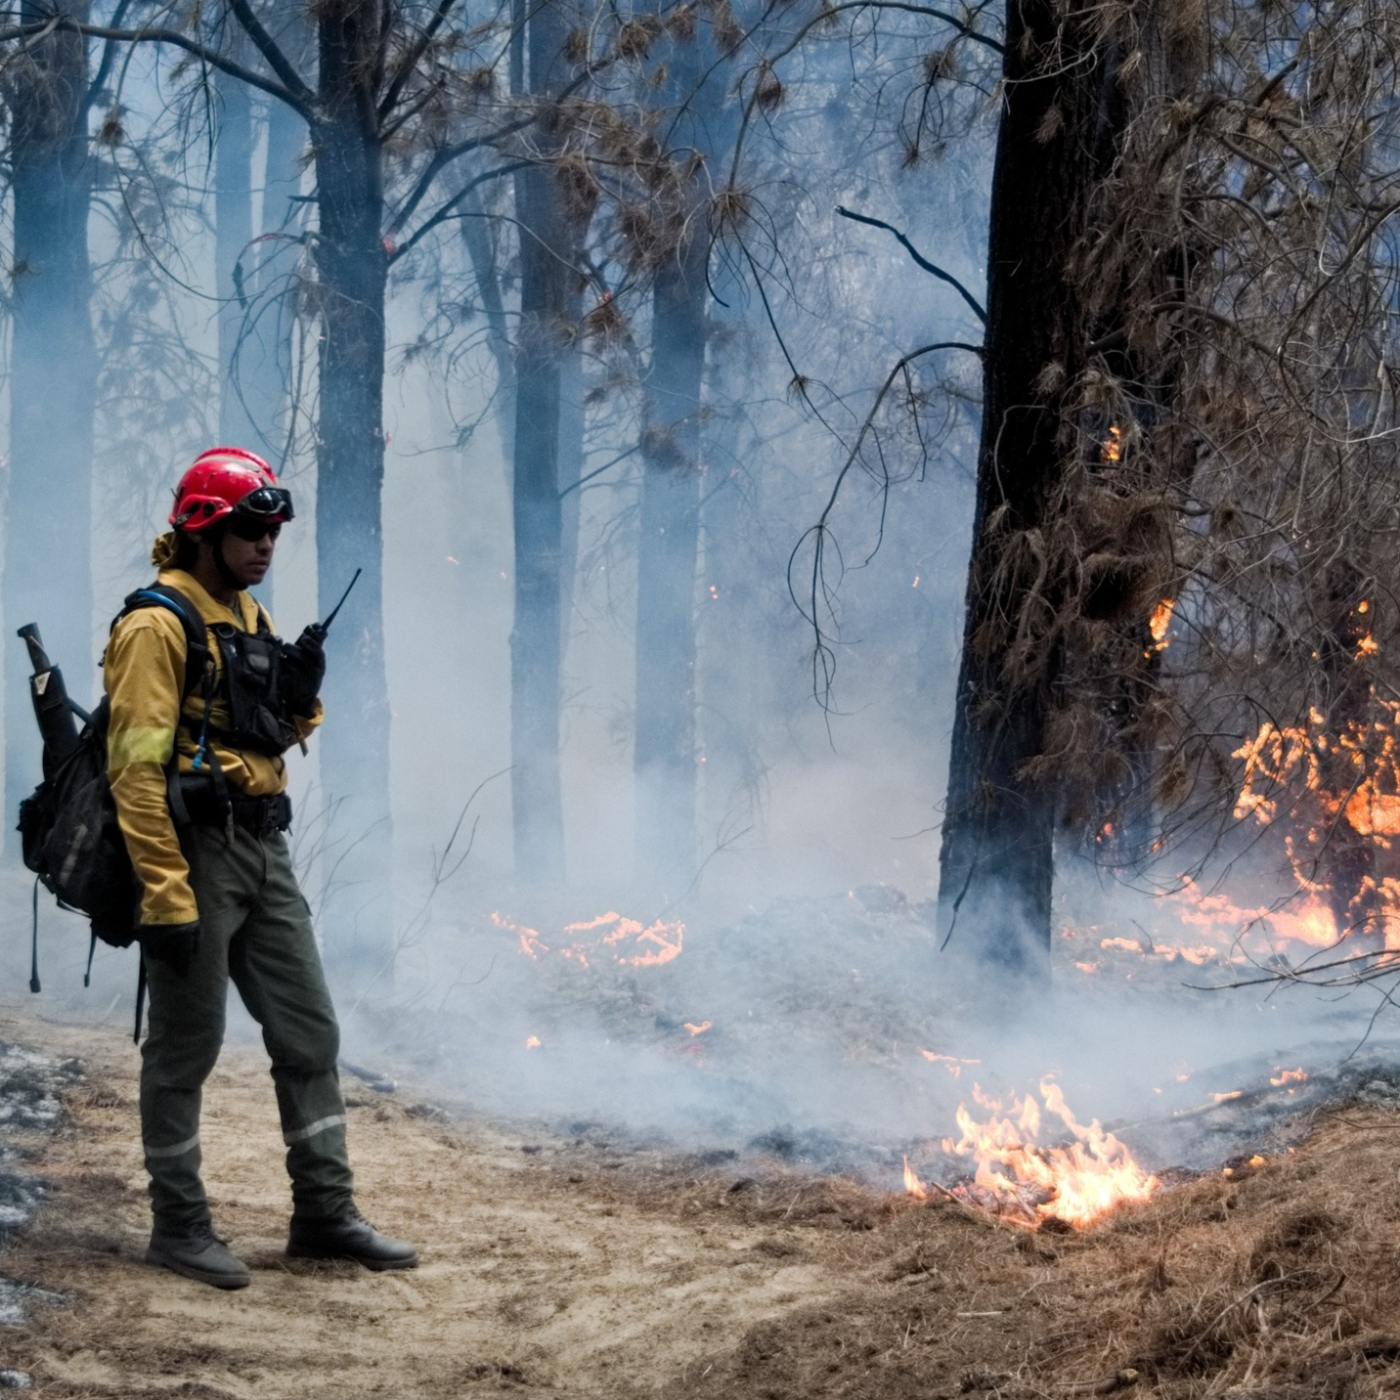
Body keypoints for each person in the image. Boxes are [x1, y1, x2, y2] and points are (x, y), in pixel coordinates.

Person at [103, 446, 417, 1290]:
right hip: (193, 854)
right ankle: (179, 1226)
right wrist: (165, 894)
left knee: (310, 1031)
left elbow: (271, 729)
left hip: (264, 851)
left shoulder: (250, 618)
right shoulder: (153, 626)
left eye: (272, 531)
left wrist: (304, 694)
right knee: (184, 1047)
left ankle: (324, 1214)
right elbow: (134, 772)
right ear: (202, 528)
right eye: (249, 529)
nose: (265, 545)